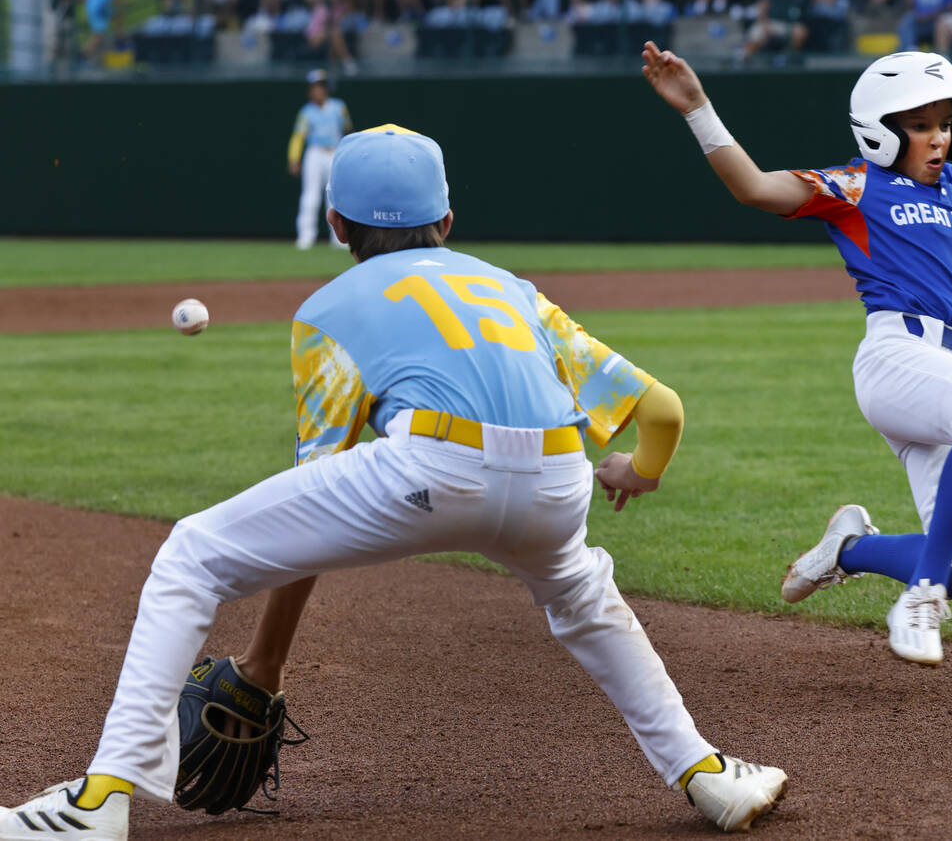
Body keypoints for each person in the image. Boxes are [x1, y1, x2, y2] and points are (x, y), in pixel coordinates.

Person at [0, 125, 788, 841]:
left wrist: (266, 664)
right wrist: (637, 471)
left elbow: (318, 492)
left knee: (190, 556)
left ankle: (100, 802)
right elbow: (664, 410)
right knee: (583, 595)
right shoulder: (509, 287)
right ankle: (709, 778)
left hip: (432, 469)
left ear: (337, 227)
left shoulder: (326, 307)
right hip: (559, 477)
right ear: (448, 222)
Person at [641, 42, 952, 665]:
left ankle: (847, 550)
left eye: (945, 123)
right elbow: (754, 188)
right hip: (897, 360)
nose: (939, 138)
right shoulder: (856, 185)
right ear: (880, 132)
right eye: (920, 125)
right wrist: (697, 108)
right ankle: (919, 596)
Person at [288, 69, 352, 250]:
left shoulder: (339, 107)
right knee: (310, 195)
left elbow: (348, 131)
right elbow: (298, 136)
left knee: (335, 197)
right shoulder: (306, 112)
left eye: (320, 87)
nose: (317, 91)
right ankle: (305, 237)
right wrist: (294, 158)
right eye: (314, 88)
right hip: (314, 153)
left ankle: (339, 239)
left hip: (334, 152)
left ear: (326, 89)